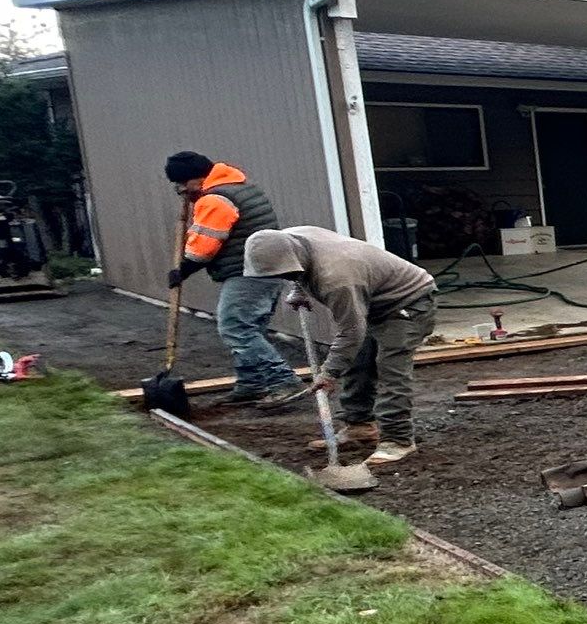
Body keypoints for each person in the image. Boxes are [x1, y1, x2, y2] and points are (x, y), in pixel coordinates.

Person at [242, 227, 441, 468]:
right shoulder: (289, 238)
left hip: (409, 302)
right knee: (357, 362)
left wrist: (329, 373)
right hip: (372, 298)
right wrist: (299, 289)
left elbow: (351, 332)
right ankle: (360, 426)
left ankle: (398, 440)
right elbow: (301, 267)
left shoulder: (337, 278)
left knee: (390, 369)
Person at [163, 151, 294, 406]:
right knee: (250, 328)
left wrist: (184, 269)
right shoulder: (238, 187)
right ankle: (252, 383)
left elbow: (205, 247)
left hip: (251, 272)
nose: (179, 190)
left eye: (181, 183)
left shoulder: (215, 199)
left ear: (196, 178)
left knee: (236, 327)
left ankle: (283, 381)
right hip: (267, 268)